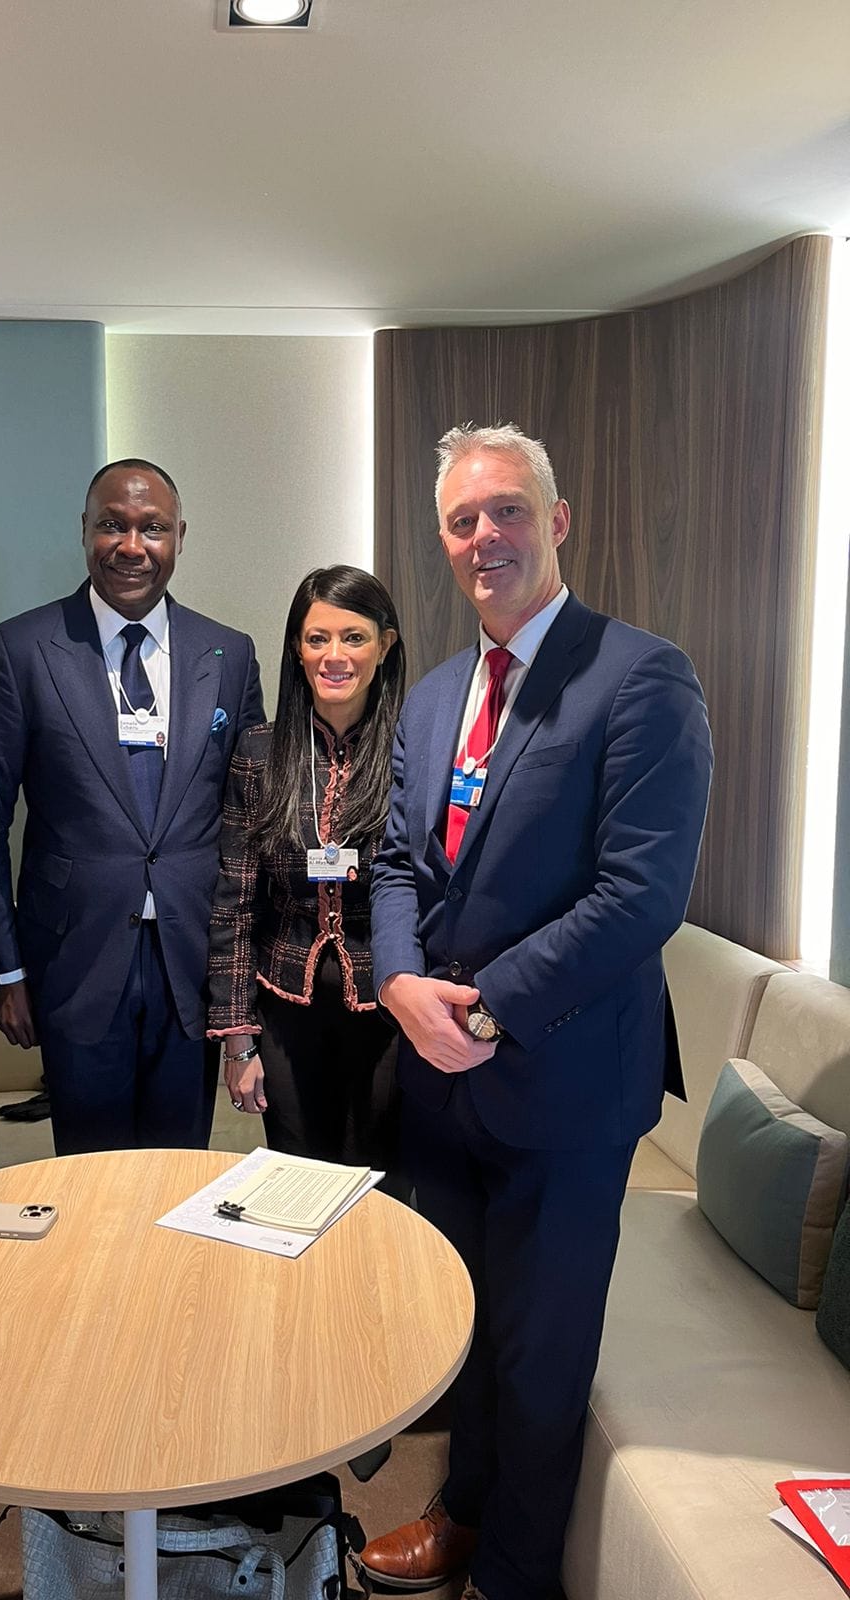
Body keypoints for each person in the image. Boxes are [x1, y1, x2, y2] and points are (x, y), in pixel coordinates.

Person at [362, 424, 712, 1600]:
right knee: (464, 1326)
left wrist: (488, 1011)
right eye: (462, 520)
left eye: (507, 510)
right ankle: (464, 1513)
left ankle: (515, 1577)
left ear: (557, 520)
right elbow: (398, 866)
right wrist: (401, 986)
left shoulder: (642, 676)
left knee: (542, 1351)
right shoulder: (433, 698)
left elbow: (641, 894)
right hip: (441, 1079)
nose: (485, 537)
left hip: (566, 1082)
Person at [0, 458, 263, 1153]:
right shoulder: (20, 650)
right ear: (84, 530)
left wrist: (239, 982)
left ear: (179, 536)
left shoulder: (229, 654)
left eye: (152, 528)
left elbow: (246, 825)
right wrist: (7, 969)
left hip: (191, 962)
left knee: (179, 1168)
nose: (131, 546)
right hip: (74, 961)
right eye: (112, 525)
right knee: (90, 1176)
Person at [207, 566, 405, 1179]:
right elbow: (235, 901)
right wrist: (237, 1037)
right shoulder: (259, 751)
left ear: (385, 646)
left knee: (381, 1178)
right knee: (296, 1176)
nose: (334, 655)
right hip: (285, 1006)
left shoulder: (413, 747)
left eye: (354, 637)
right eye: (317, 638)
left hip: (390, 1006)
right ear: (297, 648)